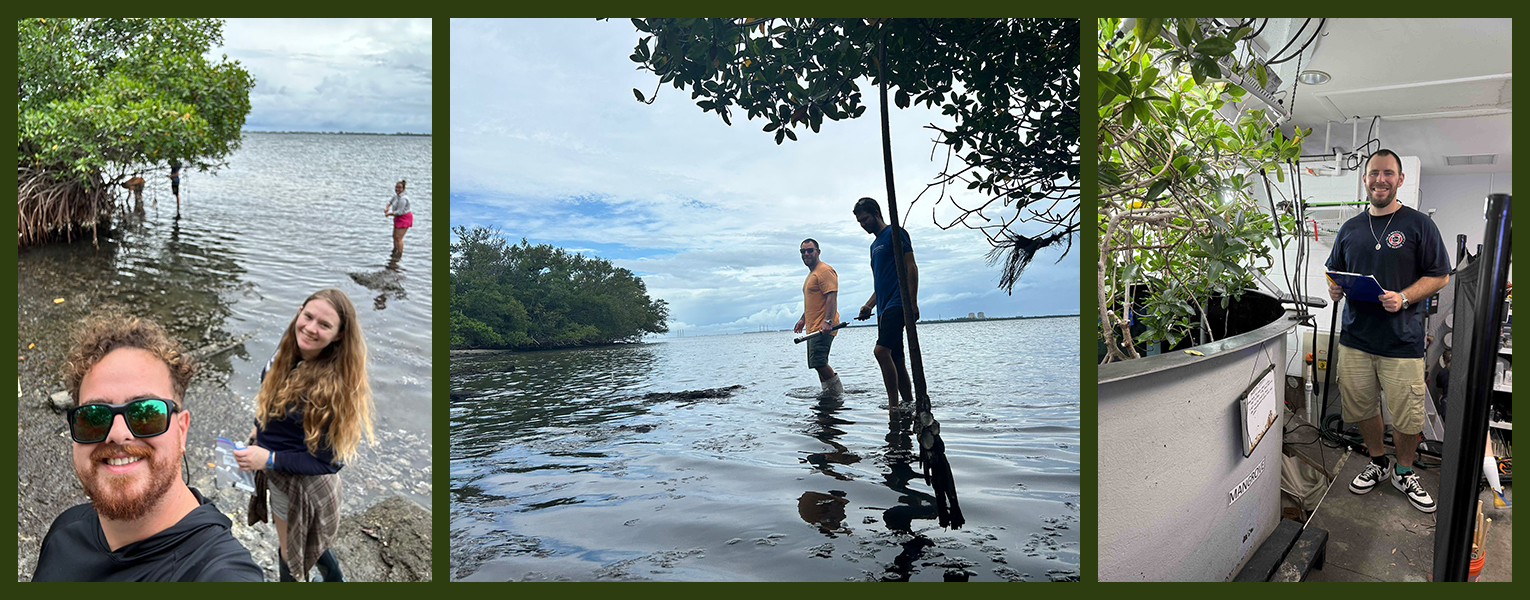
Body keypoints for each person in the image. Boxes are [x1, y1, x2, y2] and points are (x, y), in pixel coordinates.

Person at [33, 314, 262, 581]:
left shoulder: (218, 571)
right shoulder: (65, 531)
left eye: (145, 413)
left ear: (181, 430)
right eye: (94, 416)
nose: (118, 435)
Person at [1327, 149, 1450, 513]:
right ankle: (1378, 460)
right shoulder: (1350, 228)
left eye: (1388, 173)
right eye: (1374, 173)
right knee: (1362, 406)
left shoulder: (1418, 225)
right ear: (1365, 179)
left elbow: (1440, 275)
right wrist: (1334, 288)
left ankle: (1404, 470)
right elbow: (1334, 271)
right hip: (1355, 340)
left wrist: (1405, 296)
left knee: (1408, 415)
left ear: (1400, 180)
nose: (1380, 179)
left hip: (1402, 341)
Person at [234, 288, 375, 581]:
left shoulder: (334, 388)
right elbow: (270, 399)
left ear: (338, 334)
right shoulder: (288, 351)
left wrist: (269, 458)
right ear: (299, 311)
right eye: (308, 316)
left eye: (324, 325)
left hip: (300, 486)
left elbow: (329, 463)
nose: (311, 328)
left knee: (290, 554)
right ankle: (338, 582)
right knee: (311, 541)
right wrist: (257, 429)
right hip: (275, 467)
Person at [852, 197, 919, 410]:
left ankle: (893, 407)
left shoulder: (895, 233)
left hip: (898, 303)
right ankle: (908, 404)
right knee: (897, 358)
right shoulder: (874, 246)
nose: (863, 225)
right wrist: (869, 305)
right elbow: (882, 282)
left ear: (877, 214)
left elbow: (911, 267)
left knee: (881, 352)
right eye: (860, 222)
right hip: (882, 308)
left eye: (865, 219)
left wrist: (912, 301)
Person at [793, 238, 843, 394]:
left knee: (819, 362)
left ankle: (838, 394)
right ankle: (828, 394)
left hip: (824, 327)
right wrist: (803, 319)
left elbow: (831, 296)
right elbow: (814, 301)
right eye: (803, 251)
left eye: (810, 250)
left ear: (818, 252)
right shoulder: (812, 274)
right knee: (817, 364)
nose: (806, 254)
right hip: (813, 327)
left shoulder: (824, 271)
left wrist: (827, 321)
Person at [384, 179, 413, 255]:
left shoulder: (403, 199)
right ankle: (394, 251)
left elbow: (399, 212)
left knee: (399, 238)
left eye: (399, 188)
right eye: (396, 187)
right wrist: (387, 208)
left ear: (403, 189)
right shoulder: (396, 196)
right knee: (394, 236)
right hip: (397, 217)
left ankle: (399, 254)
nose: (397, 189)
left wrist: (389, 214)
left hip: (404, 218)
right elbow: (389, 202)